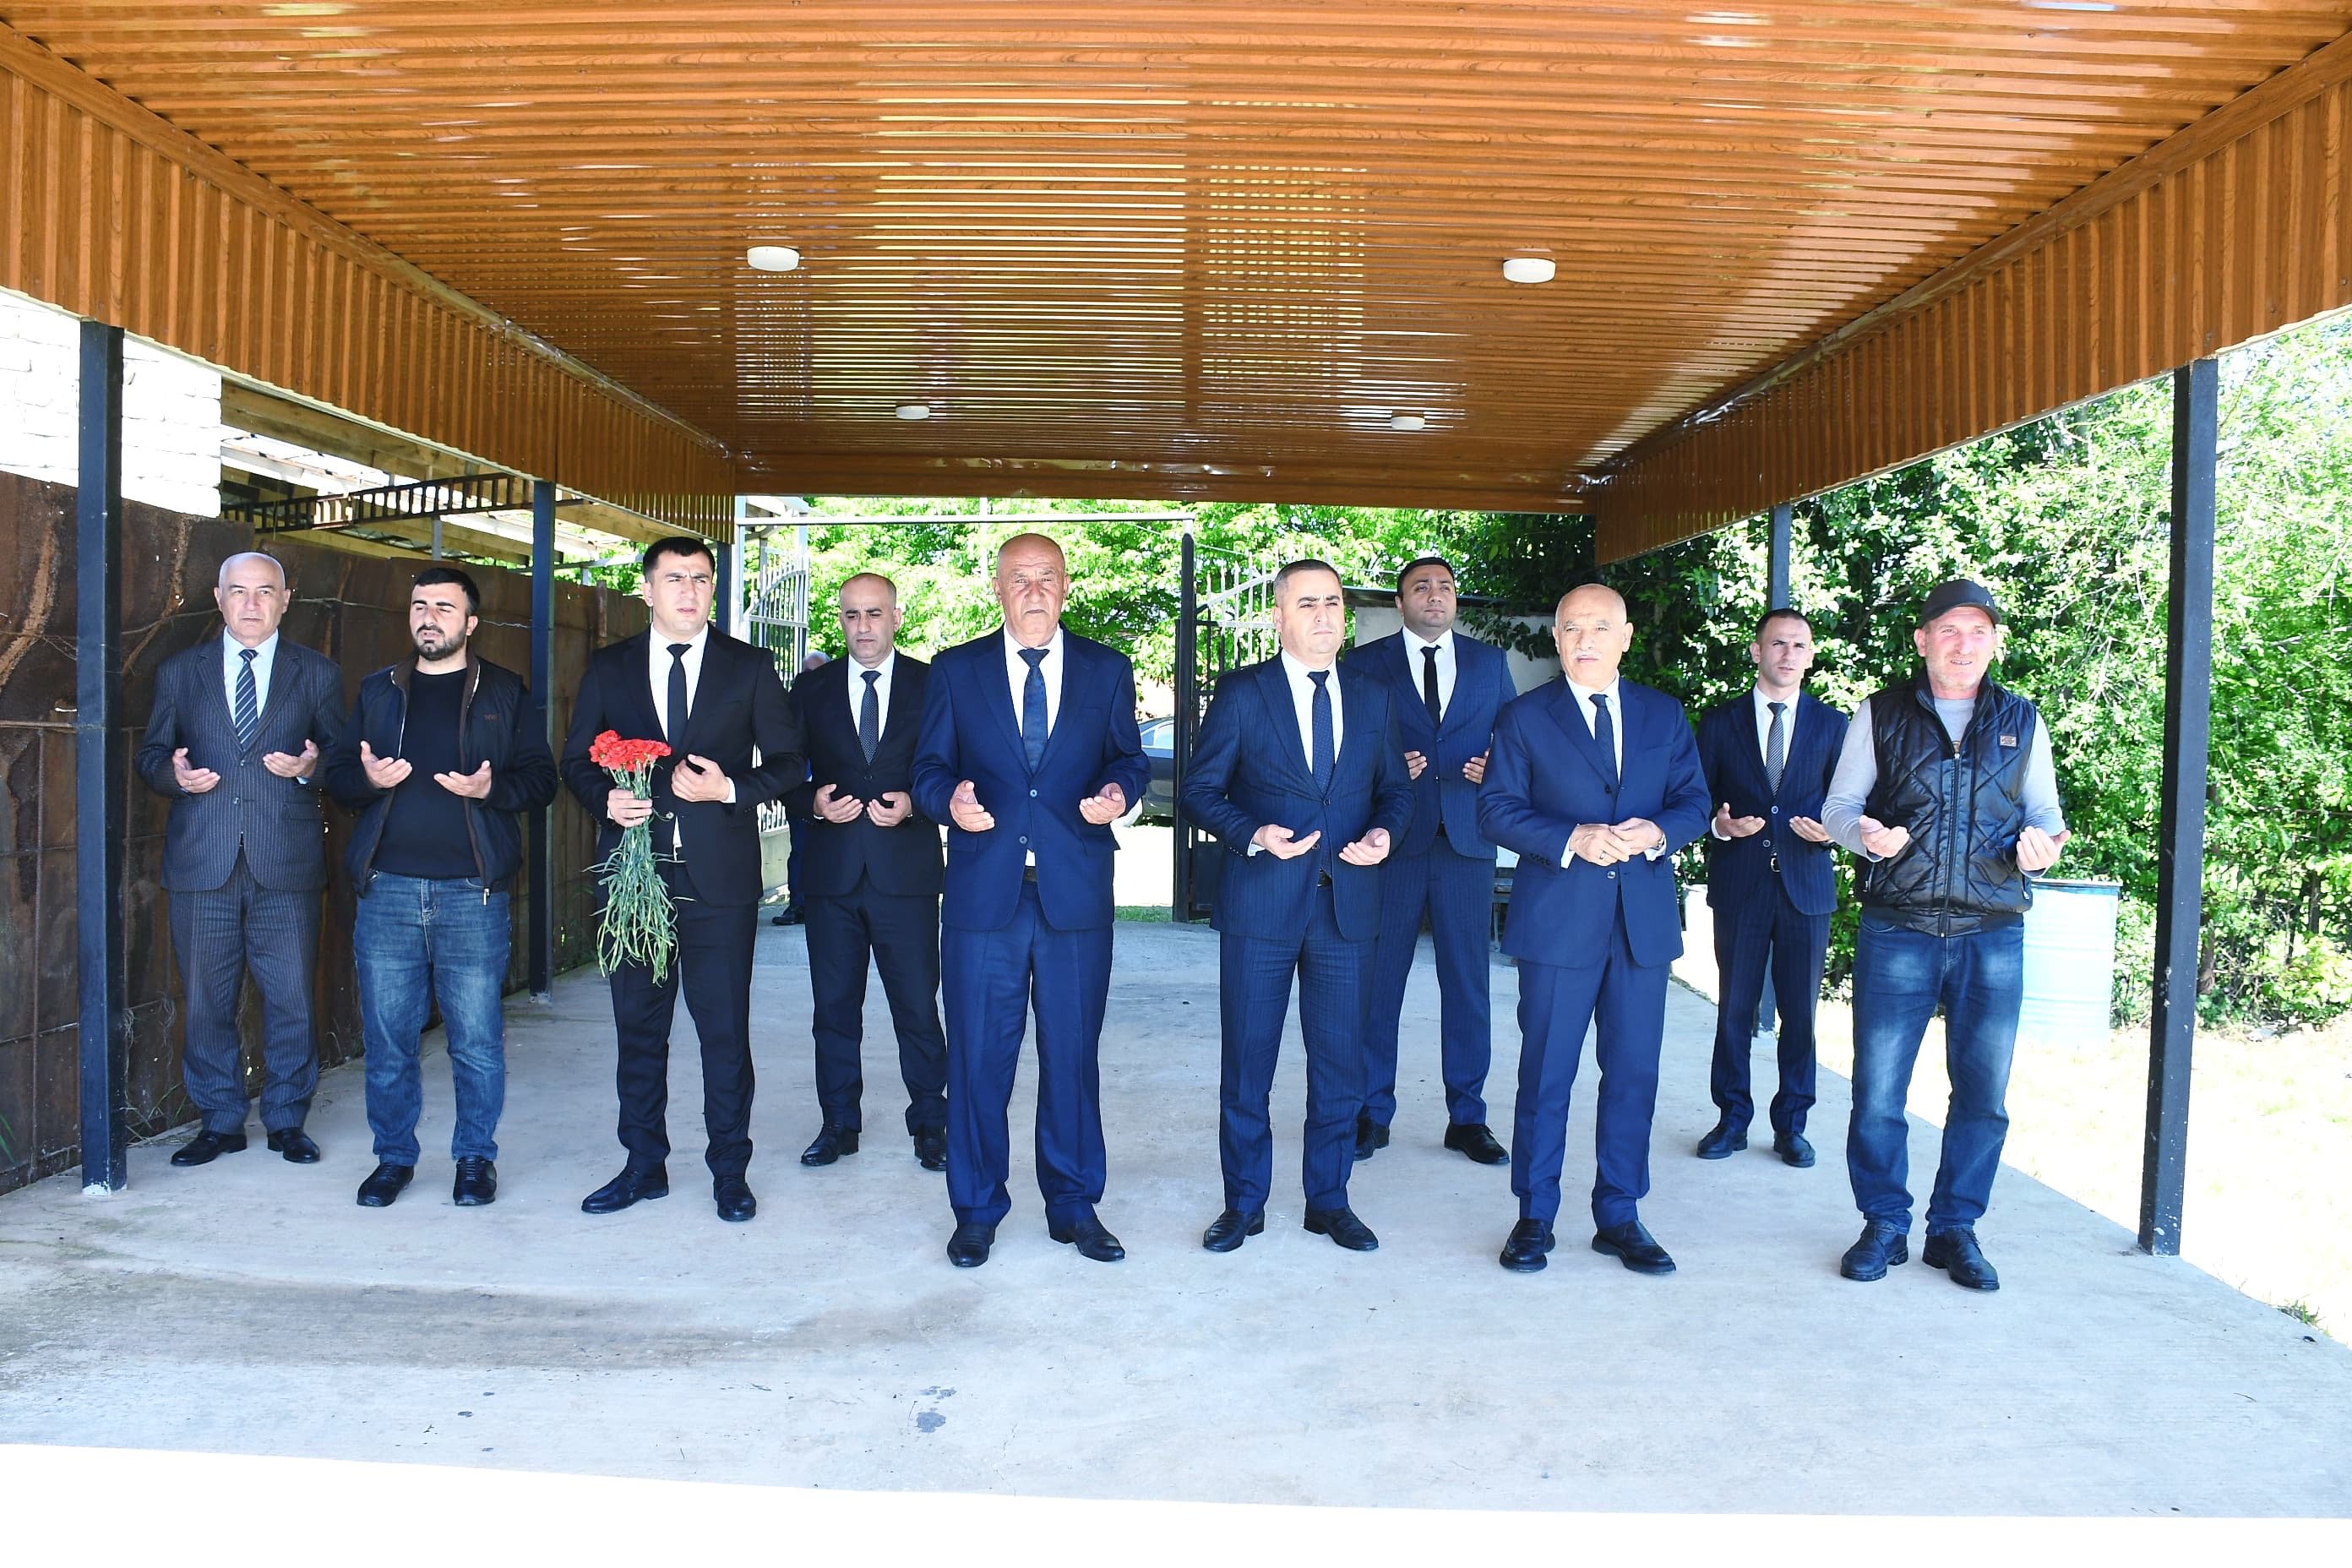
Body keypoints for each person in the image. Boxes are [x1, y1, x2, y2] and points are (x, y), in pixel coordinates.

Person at [1821, 579, 2068, 1293]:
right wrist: (1865, 837)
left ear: (1994, 644)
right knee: (1878, 1091)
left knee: (1983, 1095)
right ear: (1923, 639)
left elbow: (2047, 819)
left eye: (1979, 632)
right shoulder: (1880, 713)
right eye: (1950, 630)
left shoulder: (2022, 719)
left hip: (1992, 934)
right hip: (1898, 929)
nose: (1965, 644)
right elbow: (1839, 808)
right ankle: (1884, 1223)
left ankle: (1954, 1229)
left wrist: (2042, 849)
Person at [911, 533, 1148, 1268]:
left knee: (1072, 1058)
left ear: (1067, 585)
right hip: (986, 898)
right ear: (997, 588)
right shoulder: (955, 670)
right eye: (1020, 578)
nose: (1035, 591)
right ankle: (976, 1210)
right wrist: (949, 802)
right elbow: (927, 769)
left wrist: (1119, 793)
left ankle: (1074, 1206)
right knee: (979, 1060)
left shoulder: (1107, 669)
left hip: (1075, 895)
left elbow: (1129, 757)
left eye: (1048, 577)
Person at [560, 536, 803, 1222]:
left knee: (723, 1033)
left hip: (718, 882)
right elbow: (574, 761)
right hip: (634, 879)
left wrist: (731, 789)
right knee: (638, 1030)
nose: (688, 590)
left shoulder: (749, 666)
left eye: (700, 578)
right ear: (647, 589)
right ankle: (644, 1166)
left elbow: (790, 763)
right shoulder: (609, 667)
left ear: (712, 589)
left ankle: (730, 1171)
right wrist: (604, 799)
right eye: (674, 578)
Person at [1478, 583, 1710, 1275]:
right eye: (1573, 627)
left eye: (1601, 627)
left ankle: (1620, 1214)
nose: (1586, 639)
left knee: (1634, 1074)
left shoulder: (1663, 714)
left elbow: (1694, 802)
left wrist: (1658, 832)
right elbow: (1495, 810)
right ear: (1556, 639)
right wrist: (1571, 837)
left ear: (1625, 637)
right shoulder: (1524, 717)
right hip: (1558, 925)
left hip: (1640, 927)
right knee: (1546, 1073)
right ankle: (1534, 1215)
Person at [1181, 559, 1412, 1254]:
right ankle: (1243, 1204)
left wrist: (1384, 833)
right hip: (1261, 907)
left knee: (1340, 1067)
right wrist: (1254, 834)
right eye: (1307, 603)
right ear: (1279, 617)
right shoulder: (1243, 693)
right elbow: (1200, 790)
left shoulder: (1374, 696)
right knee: (1247, 1065)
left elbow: (1396, 792)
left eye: (1333, 603)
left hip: (1347, 907)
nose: (1323, 616)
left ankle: (1329, 1201)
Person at [324, 567, 558, 1209]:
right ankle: (393, 1158)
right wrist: (367, 780)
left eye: (444, 608)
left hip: (471, 895)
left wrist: (492, 788)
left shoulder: (505, 691)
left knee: (475, 1042)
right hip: (388, 893)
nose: (429, 617)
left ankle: (475, 1158)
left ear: (470, 623)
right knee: (389, 1041)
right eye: (420, 606)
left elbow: (541, 781)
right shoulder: (378, 691)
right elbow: (338, 777)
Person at [133, 552, 343, 1169]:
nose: (252, 604)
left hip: (286, 862)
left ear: (286, 599)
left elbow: (342, 756)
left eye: (265, 591)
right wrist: (172, 776)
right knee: (207, 1000)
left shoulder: (318, 672)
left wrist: (310, 768)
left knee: (291, 998)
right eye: (239, 591)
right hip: (203, 861)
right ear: (219, 598)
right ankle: (220, 1122)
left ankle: (287, 1119)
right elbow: (151, 755)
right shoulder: (180, 672)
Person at [1345, 553, 1517, 1165]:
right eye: (1421, 587)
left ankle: (1467, 1118)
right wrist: (1383, 768)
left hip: (1467, 841)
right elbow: (1345, 746)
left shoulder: (1489, 663)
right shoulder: (1364, 664)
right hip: (1391, 842)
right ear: (1400, 602)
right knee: (1378, 982)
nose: (1435, 595)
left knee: (1468, 983)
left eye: (1445, 586)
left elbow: (1516, 740)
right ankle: (1371, 1113)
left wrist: (1498, 767)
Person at [786, 573, 948, 1173]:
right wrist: (811, 803)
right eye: (852, 615)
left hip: (905, 875)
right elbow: (782, 771)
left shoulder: (933, 685)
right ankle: (838, 1125)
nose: (863, 627)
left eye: (875, 614)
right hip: (831, 877)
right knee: (833, 1011)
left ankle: (931, 1123)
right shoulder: (812, 689)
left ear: (896, 617)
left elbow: (956, 769)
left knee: (918, 1008)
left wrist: (916, 805)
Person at [1693, 608, 1848, 1168]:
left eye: (1799, 645)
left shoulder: (1834, 726)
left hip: (1806, 887)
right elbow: (1693, 799)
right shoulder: (1720, 722)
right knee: (1734, 1008)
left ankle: (1792, 1126)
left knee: (1800, 1015)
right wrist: (1719, 826)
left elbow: (1852, 804)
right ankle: (1731, 1119)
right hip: (1741, 885)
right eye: (1778, 643)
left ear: (1811, 656)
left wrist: (1834, 831)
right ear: (1757, 651)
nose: (1788, 654)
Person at [774, 651, 834, 927]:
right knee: (799, 848)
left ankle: (826, 903)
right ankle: (798, 905)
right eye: (805, 672)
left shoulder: (840, 701)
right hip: (800, 792)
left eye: (815, 672)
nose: (808, 678)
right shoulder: (792, 703)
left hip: (833, 792)